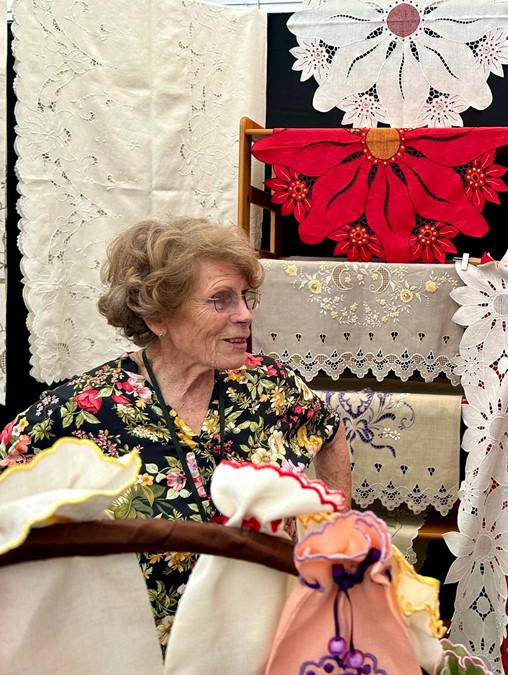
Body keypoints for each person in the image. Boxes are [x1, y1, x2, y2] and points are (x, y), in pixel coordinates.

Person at [0, 216, 352, 648]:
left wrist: (333, 534)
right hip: (140, 652)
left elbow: (331, 435)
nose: (245, 314)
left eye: (246, 297)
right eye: (221, 300)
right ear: (160, 316)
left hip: (264, 643)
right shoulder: (85, 408)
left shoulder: (272, 387)